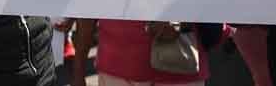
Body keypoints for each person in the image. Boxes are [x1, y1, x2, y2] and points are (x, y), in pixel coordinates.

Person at [72, 19, 211, 86]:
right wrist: (78, 72)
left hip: (180, 71)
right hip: (117, 74)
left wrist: (182, 22)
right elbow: (87, 14)